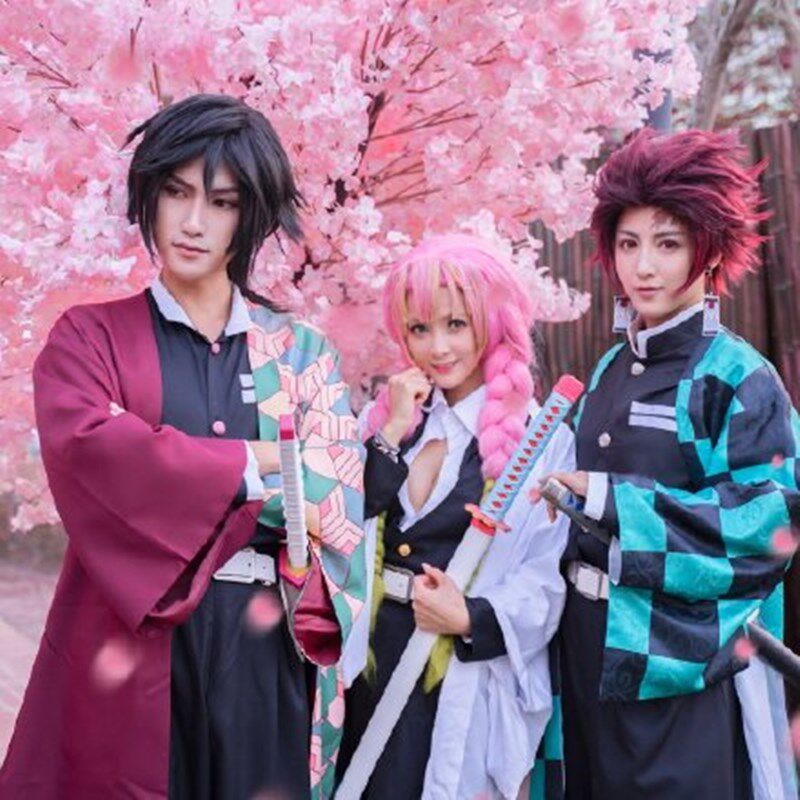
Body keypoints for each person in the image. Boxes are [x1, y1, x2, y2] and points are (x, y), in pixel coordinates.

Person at [0, 94, 367, 800]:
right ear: (148, 196)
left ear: (250, 217)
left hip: (264, 649)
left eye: (222, 202)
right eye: (175, 192)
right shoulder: (91, 338)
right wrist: (257, 464)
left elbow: (333, 498)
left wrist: (173, 469)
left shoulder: (301, 353)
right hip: (127, 645)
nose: (193, 222)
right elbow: (91, 454)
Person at [543, 128, 798, 799]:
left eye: (667, 243)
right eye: (628, 244)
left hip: (681, 669)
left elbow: (769, 526)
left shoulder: (737, 376)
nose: (644, 267)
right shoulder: (608, 367)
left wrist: (612, 501)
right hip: (584, 656)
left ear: (708, 250)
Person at [336, 234, 574, 799]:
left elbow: (545, 576)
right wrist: (390, 433)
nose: (437, 348)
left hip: (453, 677)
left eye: (456, 325)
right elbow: (344, 520)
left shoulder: (540, 439)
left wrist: (471, 617)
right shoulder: (392, 419)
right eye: (419, 329)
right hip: (370, 662)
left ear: (492, 323)